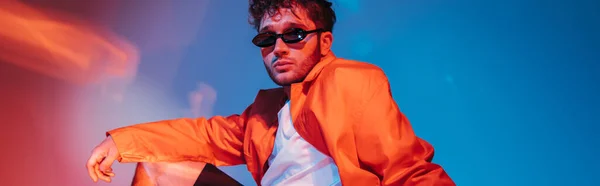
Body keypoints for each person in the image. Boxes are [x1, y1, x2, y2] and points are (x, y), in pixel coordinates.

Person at [86, 0, 456, 185]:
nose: (278, 47)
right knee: (157, 168)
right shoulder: (265, 114)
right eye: (267, 38)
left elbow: (407, 169)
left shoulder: (352, 81)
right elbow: (203, 136)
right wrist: (121, 142)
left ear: (324, 42)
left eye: (294, 34)